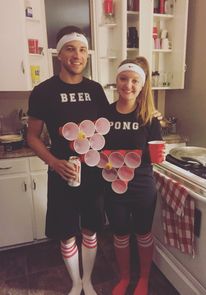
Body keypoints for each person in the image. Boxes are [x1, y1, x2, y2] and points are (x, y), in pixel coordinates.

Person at [27, 26, 109, 295]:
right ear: (59, 55)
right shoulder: (43, 91)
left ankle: (88, 281)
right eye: (70, 49)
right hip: (62, 172)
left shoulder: (96, 90)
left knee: (90, 228)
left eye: (83, 49)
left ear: (87, 55)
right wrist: (54, 162)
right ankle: (76, 282)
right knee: (66, 232)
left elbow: (107, 129)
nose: (77, 55)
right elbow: (33, 136)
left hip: (93, 173)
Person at [103, 56, 163, 295]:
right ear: (116, 81)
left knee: (143, 232)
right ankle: (125, 278)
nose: (128, 85)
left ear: (142, 85)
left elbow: (155, 154)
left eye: (134, 81)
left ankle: (144, 279)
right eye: (123, 79)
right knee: (119, 233)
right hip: (113, 186)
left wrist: (160, 154)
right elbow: (97, 149)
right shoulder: (104, 115)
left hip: (142, 186)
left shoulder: (149, 117)